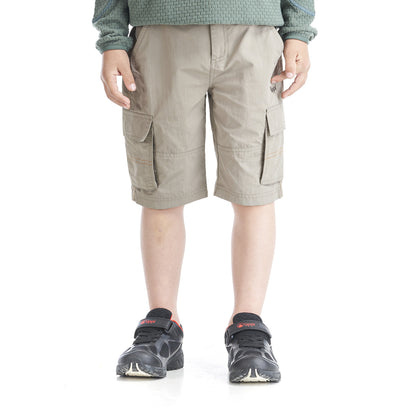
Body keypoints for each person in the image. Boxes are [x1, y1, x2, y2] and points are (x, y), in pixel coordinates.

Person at [92, 0, 317, 383]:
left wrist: (298, 30)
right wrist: (112, 36)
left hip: (253, 31)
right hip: (161, 29)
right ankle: (163, 323)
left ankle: (248, 325)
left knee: (254, 188)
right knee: (161, 187)